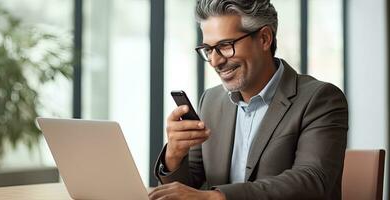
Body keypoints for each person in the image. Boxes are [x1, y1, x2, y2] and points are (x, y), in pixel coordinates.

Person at [148, 0, 348, 199]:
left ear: (264, 38)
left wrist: (217, 197)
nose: (215, 61)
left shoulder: (321, 99)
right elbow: (190, 187)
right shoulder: (211, 100)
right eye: (208, 49)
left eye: (225, 45)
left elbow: (312, 181)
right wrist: (174, 155)